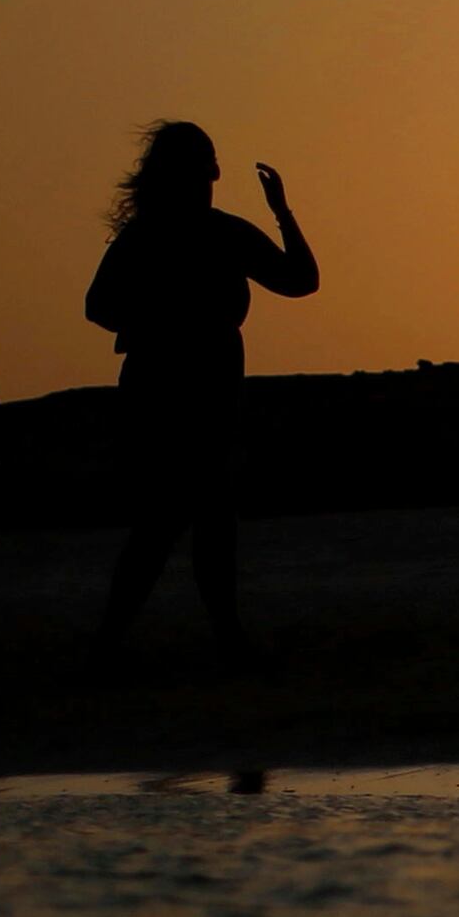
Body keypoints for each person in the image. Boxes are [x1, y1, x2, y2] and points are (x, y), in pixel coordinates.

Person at [82, 121, 319, 660]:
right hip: (176, 384)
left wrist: (282, 212)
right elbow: (99, 306)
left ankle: (151, 638)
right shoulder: (186, 235)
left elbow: (301, 281)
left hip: (190, 384)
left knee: (187, 517)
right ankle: (156, 638)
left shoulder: (179, 234)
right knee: (182, 516)